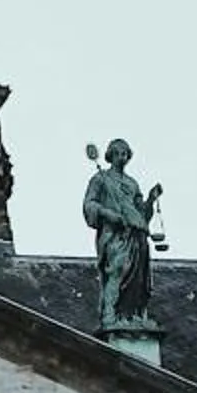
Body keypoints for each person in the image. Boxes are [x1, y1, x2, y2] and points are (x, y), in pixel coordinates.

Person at [83, 136, 165, 332]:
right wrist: (108, 214)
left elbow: (141, 213)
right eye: (118, 153)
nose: (122, 156)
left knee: (138, 279)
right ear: (110, 156)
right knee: (118, 271)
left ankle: (135, 315)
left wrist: (151, 200)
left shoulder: (132, 184)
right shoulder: (100, 179)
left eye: (125, 153)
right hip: (115, 234)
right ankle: (110, 315)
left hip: (136, 233)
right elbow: (89, 204)